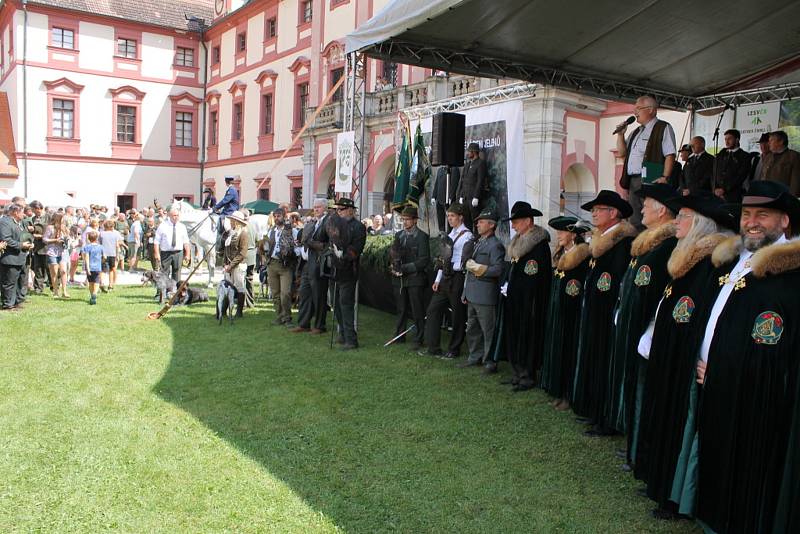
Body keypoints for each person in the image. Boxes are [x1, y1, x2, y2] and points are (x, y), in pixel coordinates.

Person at [695, 181, 800, 533]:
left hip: (759, 407)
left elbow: (777, 354)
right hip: (716, 389)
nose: (751, 222)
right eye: (746, 214)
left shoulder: (790, 278)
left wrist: (720, 371)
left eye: (763, 215)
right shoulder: (735, 262)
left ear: (785, 221)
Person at [634, 193, 737, 520]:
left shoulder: (710, 263)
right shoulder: (686, 258)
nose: (676, 221)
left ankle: (676, 496)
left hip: (686, 361)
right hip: (668, 354)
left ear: (701, 225)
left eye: (683, 217)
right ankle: (658, 480)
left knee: (682, 424)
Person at [606, 184, 679, 464]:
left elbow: (655, 288)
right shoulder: (649, 242)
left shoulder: (666, 245)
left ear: (661, 211)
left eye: (647, 204)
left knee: (641, 390)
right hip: (630, 323)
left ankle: (640, 449)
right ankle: (632, 443)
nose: (643, 209)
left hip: (644, 328)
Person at [572, 190, 637, 436]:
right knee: (593, 359)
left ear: (614, 213)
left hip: (608, 315)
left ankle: (605, 418)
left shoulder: (622, 243)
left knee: (605, 362)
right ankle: (593, 410)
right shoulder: (601, 240)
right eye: (593, 210)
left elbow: (618, 282)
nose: (594, 214)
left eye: (599, 209)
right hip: (594, 311)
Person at [496, 201, 551, 390]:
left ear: (528, 221)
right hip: (514, 298)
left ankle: (527, 374)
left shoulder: (539, 244)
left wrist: (518, 290)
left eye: (516, 222)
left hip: (529, 301)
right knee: (514, 334)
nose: (513, 226)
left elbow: (534, 275)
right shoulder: (518, 242)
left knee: (527, 336)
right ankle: (517, 371)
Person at [540, 216, 590, 410]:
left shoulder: (581, 257)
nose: (558, 236)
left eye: (562, 232)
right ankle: (558, 390)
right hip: (557, 311)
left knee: (569, 352)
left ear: (573, 234)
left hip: (571, 314)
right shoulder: (561, 254)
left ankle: (569, 394)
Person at [616, 95, 677, 229]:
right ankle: (638, 244)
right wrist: (621, 135)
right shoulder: (636, 131)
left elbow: (670, 154)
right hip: (633, 179)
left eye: (638, 108)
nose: (635, 112)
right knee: (635, 218)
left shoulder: (663, 127)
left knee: (652, 215)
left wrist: (665, 177)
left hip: (652, 175)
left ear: (650, 110)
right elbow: (622, 153)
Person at [421, 203, 473, 358]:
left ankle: (454, 349)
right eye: (448, 216)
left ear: (460, 217)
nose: (449, 219)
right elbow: (443, 259)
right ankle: (433, 347)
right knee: (432, 310)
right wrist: (438, 278)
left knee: (457, 315)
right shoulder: (449, 235)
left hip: (458, 277)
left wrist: (451, 268)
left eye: (452, 216)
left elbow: (465, 261)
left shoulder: (467, 236)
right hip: (445, 278)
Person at [458, 209, 505, 368]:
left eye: (481, 221)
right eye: (477, 221)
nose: (477, 224)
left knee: (488, 330)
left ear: (491, 225)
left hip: (485, 295)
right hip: (472, 293)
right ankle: (474, 357)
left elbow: (498, 269)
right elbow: (469, 272)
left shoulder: (495, 245)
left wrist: (480, 268)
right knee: (472, 328)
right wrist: (465, 291)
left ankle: (489, 361)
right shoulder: (478, 242)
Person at [388, 206, 430, 351]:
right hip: (399, 280)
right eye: (403, 219)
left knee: (417, 309)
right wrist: (394, 266)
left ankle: (419, 338)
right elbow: (394, 255)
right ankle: (399, 335)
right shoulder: (399, 235)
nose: (404, 222)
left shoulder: (422, 236)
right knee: (401, 308)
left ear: (414, 220)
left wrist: (404, 268)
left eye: (407, 219)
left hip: (415, 279)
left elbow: (424, 260)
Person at [329, 198, 367, 351]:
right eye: (337, 210)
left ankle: (351, 339)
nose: (339, 212)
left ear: (351, 210)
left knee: (346, 304)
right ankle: (343, 333)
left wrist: (343, 255)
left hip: (349, 270)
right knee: (335, 303)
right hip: (335, 269)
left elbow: (357, 249)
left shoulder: (358, 227)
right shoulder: (336, 224)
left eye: (342, 209)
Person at [291, 199, 330, 334]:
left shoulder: (328, 221)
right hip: (308, 262)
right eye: (314, 207)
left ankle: (319, 325)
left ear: (325, 208)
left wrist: (311, 243)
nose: (316, 209)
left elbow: (327, 244)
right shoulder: (314, 222)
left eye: (318, 207)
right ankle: (303, 323)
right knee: (304, 293)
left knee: (318, 295)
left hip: (319, 262)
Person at [263, 207, 300, 326]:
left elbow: (298, 248)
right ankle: (279, 316)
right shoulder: (271, 230)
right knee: (275, 293)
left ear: (284, 217)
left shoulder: (292, 231)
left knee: (286, 293)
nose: (276, 218)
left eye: (279, 216)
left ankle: (287, 317)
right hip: (272, 264)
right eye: (275, 216)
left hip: (285, 265)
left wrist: (291, 253)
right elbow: (266, 246)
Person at [0, 204, 34, 310]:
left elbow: (23, 236)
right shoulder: (5, 222)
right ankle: (7, 304)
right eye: (21, 212)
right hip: (10, 258)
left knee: (17, 282)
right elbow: (6, 239)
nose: (23, 214)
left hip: (20, 257)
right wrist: (21, 245)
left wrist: (29, 243)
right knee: (9, 282)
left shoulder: (19, 223)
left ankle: (15, 302)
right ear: (15, 212)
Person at [153, 208, 191, 286]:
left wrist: (187, 254)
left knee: (177, 273)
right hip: (165, 253)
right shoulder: (163, 226)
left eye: (177, 215)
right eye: (174, 215)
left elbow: (186, 242)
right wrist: (157, 253)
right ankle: (161, 294)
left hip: (178, 253)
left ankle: (175, 293)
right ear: (169, 216)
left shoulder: (182, 227)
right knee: (163, 273)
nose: (176, 217)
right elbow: (156, 241)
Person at [713, 128, 752, 203]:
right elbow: (714, 172)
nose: (727, 142)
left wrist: (724, 189)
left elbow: (740, 176)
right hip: (717, 194)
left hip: (733, 195)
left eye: (729, 139)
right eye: (725, 139)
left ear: (737, 139)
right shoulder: (721, 154)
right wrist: (715, 188)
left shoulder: (744, 156)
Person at [456, 143, 488, 230]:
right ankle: (469, 240)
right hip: (466, 198)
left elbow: (480, 181)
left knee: (476, 222)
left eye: (469, 151)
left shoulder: (480, 163)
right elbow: (463, 181)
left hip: (474, 199)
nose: (467, 153)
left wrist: (476, 196)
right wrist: (461, 196)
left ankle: (477, 241)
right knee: (466, 222)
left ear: (474, 152)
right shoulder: (467, 164)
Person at [223, 210, 249, 317]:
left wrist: (231, 265)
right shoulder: (231, 233)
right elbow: (226, 250)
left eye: (232, 220)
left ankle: (239, 312)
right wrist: (225, 264)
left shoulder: (243, 234)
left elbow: (242, 253)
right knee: (227, 288)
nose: (230, 222)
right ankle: (223, 311)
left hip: (239, 266)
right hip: (229, 266)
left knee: (239, 288)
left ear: (236, 221)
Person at [759, 130, 800, 195]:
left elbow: (796, 182)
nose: (768, 143)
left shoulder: (794, 157)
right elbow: (762, 176)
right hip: (765, 195)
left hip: (782, 197)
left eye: (771, 140)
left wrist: (792, 199)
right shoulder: (768, 156)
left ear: (781, 142)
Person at [42, 212, 70, 299]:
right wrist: (55, 240)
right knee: (54, 272)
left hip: (63, 251)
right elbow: (44, 239)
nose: (64, 220)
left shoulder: (64, 228)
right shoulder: (50, 228)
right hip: (52, 251)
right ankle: (55, 291)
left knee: (64, 271)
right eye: (63, 218)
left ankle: (64, 291)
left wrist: (67, 239)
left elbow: (68, 238)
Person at [26, 200, 50, 293]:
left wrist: (39, 235)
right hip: (36, 247)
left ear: (38, 208)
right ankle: (38, 288)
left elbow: (50, 230)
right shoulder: (33, 218)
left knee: (49, 268)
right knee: (38, 268)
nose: (32, 211)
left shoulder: (48, 217)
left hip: (47, 247)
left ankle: (54, 286)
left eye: (33, 209)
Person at [213, 176, 240, 252]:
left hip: (230, 211)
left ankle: (223, 243)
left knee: (222, 222)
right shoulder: (231, 189)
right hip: (227, 210)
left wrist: (215, 208)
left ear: (226, 182)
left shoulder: (231, 190)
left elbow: (225, 201)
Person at [431, 165, 460, 231]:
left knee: (450, 218)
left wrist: (451, 197)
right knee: (440, 218)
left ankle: (451, 233)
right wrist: (433, 196)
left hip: (448, 200)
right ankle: (442, 233)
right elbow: (437, 184)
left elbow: (454, 184)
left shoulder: (454, 169)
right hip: (439, 199)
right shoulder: (440, 170)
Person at [81, 230, 104, 305]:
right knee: (97, 282)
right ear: (97, 238)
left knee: (90, 283)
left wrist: (87, 268)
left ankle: (92, 295)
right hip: (98, 267)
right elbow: (105, 257)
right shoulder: (100, 247)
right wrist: (101, 261)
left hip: (90, 267)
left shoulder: (87, 247)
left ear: (88, 238)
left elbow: (86, 258)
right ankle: (95, 293)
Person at [99, 219, 122, 291]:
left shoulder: (101, 234)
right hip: (112, 254)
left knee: (102, 270)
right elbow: (117, 245)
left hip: (103, 254)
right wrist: (117, 255)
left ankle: (101, 283)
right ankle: (110, 285)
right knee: (111, 270)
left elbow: (99, 243)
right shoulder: (115, 234)